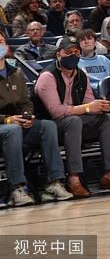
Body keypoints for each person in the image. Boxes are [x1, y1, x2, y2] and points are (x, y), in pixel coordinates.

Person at [34, 35, 110, 197]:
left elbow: (89, 103)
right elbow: (56, 112)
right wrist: (87, 108)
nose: (73, 55)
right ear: (59, 54)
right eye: (68, 52)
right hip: (49, 126)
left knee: (106, 119)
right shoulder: (48, 76)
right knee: (73, 121)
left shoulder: (81, 75)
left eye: (76, 52)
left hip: (75, 123)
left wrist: (101, 107)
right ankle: (73, 178)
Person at [0, 29, 73, 206]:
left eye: (0, 41)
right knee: (12, 130)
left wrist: (28, 115)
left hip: (17, 122)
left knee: (47, 126)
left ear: (6, 46)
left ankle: (54, 182)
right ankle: (17, 188)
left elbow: (26, 101)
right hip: (5, 125)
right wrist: (6, 119)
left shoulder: (16, 72)